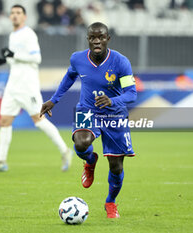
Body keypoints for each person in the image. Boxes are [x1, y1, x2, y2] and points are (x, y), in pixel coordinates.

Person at [40, 22, 137, 218]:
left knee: (116, 166)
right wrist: (54, 100)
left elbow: (132, 94)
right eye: (93, 37)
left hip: (114, 114)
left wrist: (112, 99)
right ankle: (90, 160)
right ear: (88, 39)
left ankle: (110, 202)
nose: (97, 41)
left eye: (101, 37)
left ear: (108, 39)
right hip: (87, 110)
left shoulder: (121, 62)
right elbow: (69, 77)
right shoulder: (78, 59)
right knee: (81, 143)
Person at [0, 4, 72, 172]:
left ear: (24, 17)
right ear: (10, 17)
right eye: (13, 13)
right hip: (13, 85)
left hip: (27, 86)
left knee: (39, 120)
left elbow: (36, 58)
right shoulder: (13, 35)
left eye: (18, 13)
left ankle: (65, 151)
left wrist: (13, 55)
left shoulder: (28, 34)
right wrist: (5, 60)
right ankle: (1, 161)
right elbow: (16, 58)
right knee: (4, 121)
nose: (15, 15)